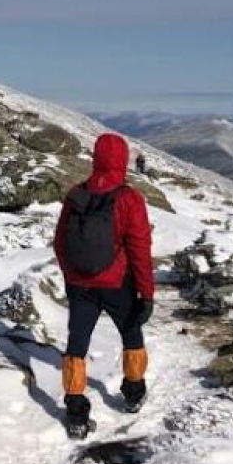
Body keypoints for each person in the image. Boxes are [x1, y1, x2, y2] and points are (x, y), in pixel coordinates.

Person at [53, 134, 154, 439]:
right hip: (117, 284)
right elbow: (139, 250)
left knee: (77, 345)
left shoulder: (76, 194)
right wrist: (146, 294)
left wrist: (73, 277)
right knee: (131, 333)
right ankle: (134, 393)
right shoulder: (129, 198)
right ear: (123, 160)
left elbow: (60, 243)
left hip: (81, 285)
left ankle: (75, 411)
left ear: (95, 158)